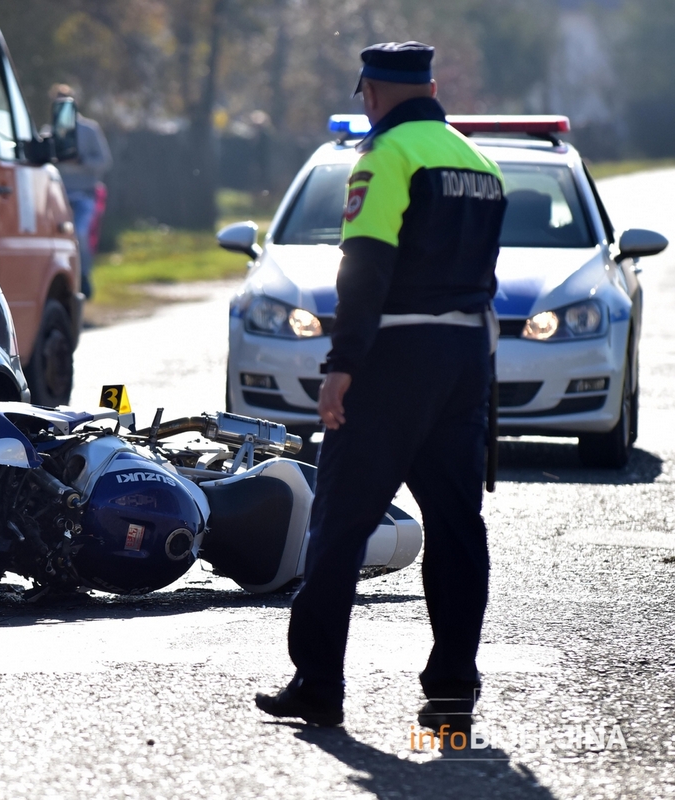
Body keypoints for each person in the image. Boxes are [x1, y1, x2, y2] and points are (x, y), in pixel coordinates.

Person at [254, 42, 507, 735]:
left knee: (340, 521)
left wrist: (342, 365)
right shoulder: (479, 163)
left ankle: (318, 684)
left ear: (370, 91)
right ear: (431, 87)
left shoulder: (385, 156)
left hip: (394, 356)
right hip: (465, 357)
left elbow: (365, 265)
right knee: (457, 526)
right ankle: (453, 688)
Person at [52, 84, 112, 299]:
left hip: (84, 194)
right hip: (57, 196)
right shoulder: (49, 131)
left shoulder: (89, 130)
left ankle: (84, 276)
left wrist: (81, 161)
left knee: (81, 234)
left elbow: (104, 161)